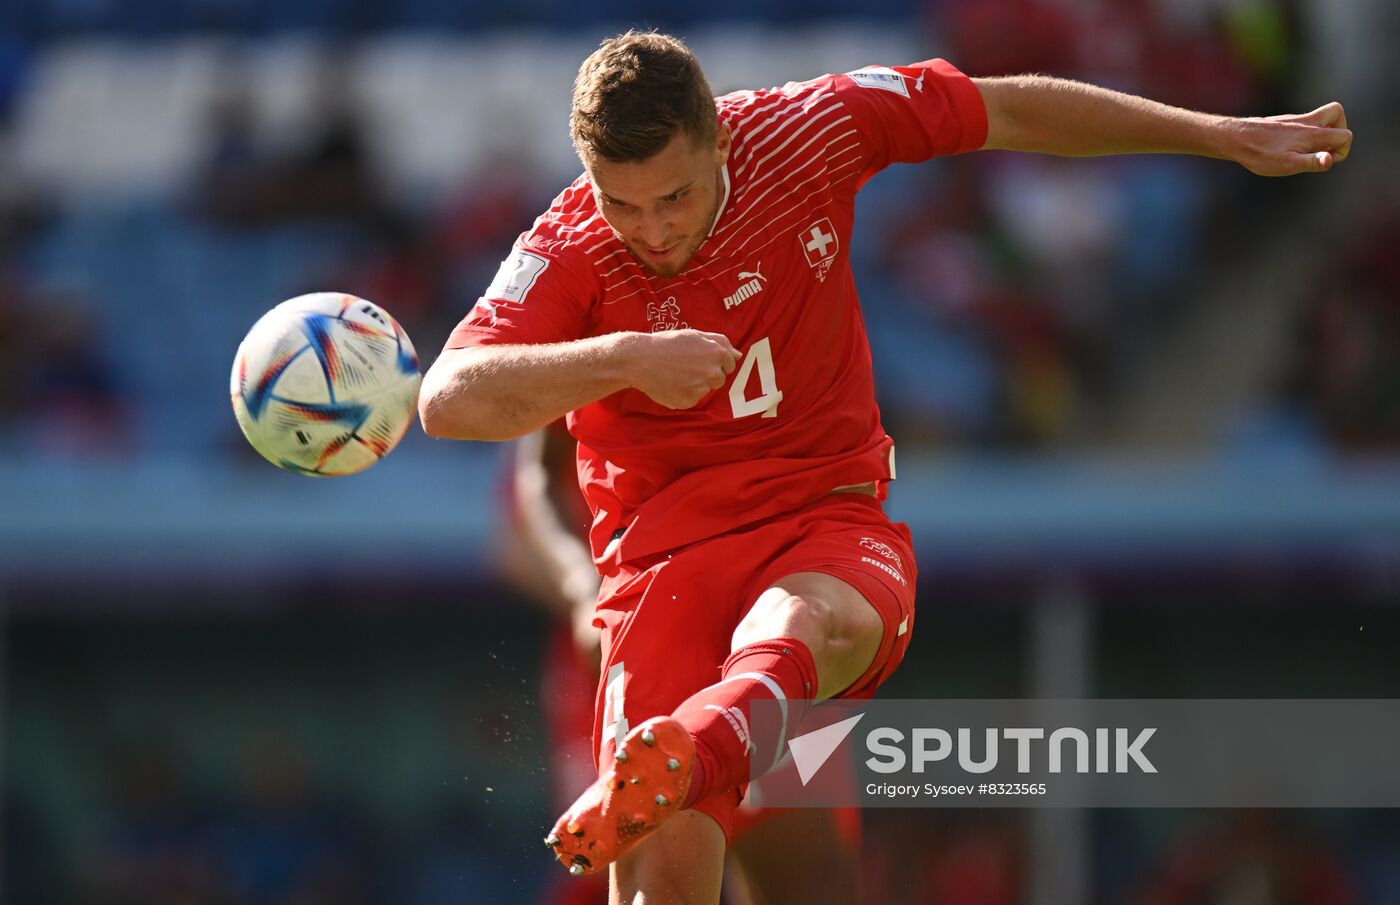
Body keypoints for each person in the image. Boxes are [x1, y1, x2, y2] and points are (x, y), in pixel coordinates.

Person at [418, 30, 1350, 905]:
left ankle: (701, 744)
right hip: (659, 579)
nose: (653, 230)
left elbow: (1009, 109)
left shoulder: (809, 129)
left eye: (675, 196)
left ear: (719, 140)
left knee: (810, 696)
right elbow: (448, 397)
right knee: (667, 879)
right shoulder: (569, 246)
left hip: (823, 523)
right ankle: (703, 745)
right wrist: (621, 358)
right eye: (624, 203)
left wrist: (1219, 135)